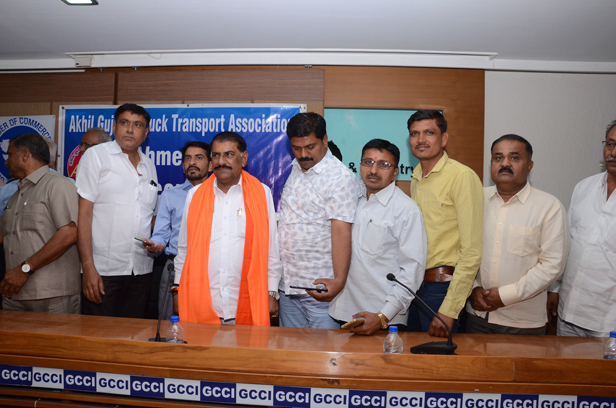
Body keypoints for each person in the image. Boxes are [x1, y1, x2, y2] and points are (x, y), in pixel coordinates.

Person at [173, 132, 281, 325]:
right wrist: (177, 289)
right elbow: (184, 249)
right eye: (216, 155)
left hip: (249, 301)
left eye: (229, 155)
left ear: (244, 158)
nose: (221, 161)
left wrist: (272, 292)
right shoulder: (194, 196)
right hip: (203, 300)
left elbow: (271, 249)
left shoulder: (261, 193)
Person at [466, 134, 569, 335]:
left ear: (529, 166)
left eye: (514, 158)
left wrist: (505, 296)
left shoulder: (549, 207)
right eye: (498, 158)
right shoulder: (475, 199)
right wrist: (472, 289)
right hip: (476, 316)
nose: (505, 164)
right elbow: (462, 249)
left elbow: (552, 265)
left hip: (523, 322)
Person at [329, 139, 427, 334]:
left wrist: (383, 316)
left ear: (395, 172)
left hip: (382, 320)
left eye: (383, 165)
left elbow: (412, 272)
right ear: (360, 166)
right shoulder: (349, 199)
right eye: (368, 162)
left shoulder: (406, 210)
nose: (373, 170)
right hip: (341, 311)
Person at [278, 112, 361, 329]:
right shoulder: (296, 169)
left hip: (321, 290)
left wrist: (339, 281)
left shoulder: (339, 177)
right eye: (296, 148)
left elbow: (341, 231)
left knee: (324, 350)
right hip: (289, 286)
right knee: (290, 349)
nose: (303, 154)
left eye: (310, 147)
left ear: (324, 140)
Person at [76, 103, 158, 318]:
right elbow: (84, 215)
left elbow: (149, 215)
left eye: (137, 125)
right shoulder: (95, 156)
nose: (130, 129)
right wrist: (88, 267)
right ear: (114, 127)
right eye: (124, 123)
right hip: (103, 271)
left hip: (141, 270)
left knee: (134, 334)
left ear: (146, 133)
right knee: (99, 335)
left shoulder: (149, 165)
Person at [406, 109, 483, 337]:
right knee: (411, 353)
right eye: (414, 133)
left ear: (444, 139)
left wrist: (450, 308)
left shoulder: (461, 176)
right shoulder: (416, 177)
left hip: (441, 289)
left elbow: (471, 251)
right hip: (414, 286)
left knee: (437, 356)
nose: (421, 139)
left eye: (429, 133)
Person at [0, 133, 80, 313]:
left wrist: (24, 270)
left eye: (9, 155)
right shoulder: (14, 195)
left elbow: (69, 233)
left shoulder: (57, 185)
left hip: (51, 294)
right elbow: (6, 236)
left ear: (25, 155)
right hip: (14, 293)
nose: (6, 162)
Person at [553, 120, 616, 337]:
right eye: (610, 144)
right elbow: (566, 242)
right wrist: (555, 289)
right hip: (569, 310)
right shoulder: (584, 187)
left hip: (608, 320)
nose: (613, 153)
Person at [142, 141, 211, 320]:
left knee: (208, 324)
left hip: (211, 269)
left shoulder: (220, 195)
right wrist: (155, 245)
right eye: (187, 158)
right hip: (175, 268)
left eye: (198, 158)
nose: (192, 162)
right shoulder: (170, 195)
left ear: (211, 164)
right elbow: (161, 234)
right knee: (169, 323)